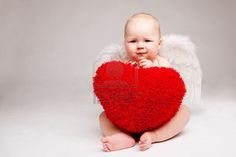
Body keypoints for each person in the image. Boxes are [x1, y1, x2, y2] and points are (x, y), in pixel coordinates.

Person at [99, 12, 190, 152]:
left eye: (147, 41)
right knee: (103, 117)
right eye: (133, 41)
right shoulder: (124, 65)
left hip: (159, 118)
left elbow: (171, 83)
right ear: (124, 44)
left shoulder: (161, 62)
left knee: (184, 112)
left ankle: (155, 135)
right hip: (130, 118)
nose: (140, 46)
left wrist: (153, 70)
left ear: (159, 44)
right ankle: (121, 136)